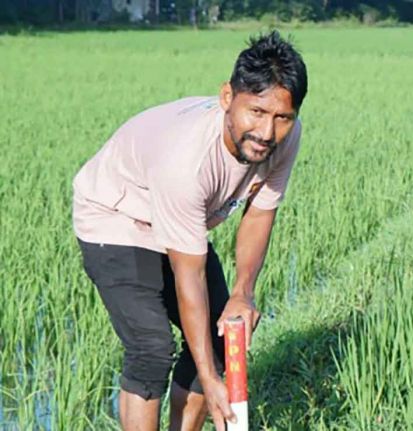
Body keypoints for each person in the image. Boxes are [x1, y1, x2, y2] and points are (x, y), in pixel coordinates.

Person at [72, 31, 307, 431]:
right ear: (227, 98)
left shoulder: (283, 140)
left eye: (281, 117)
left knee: (220, 335)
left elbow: (259, 213)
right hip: (117, 216)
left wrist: (242, 294)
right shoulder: (187, 163)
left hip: (180, 221)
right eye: (256, 112)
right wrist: (212, 380)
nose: (267, 132)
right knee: (151, 348)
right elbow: (189, 275)